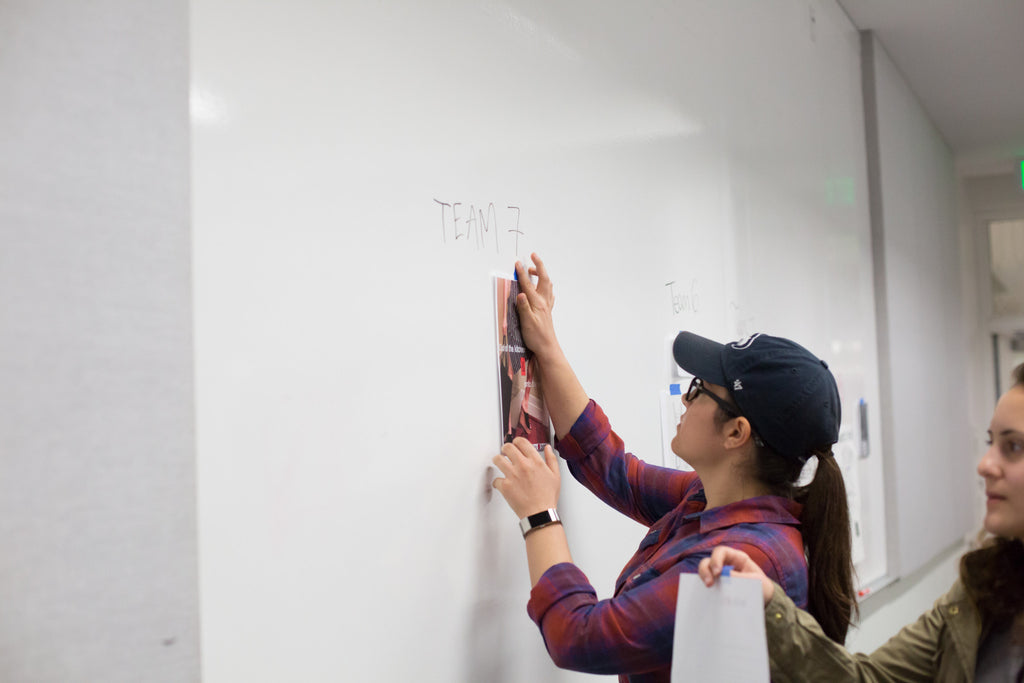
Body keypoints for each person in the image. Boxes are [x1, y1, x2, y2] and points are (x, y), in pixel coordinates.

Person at [490, 253, 857, 682]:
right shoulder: (714, 499)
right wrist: (547, 347)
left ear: (737, 433)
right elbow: (613, 469)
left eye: (700, 389)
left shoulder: (738, 562)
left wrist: (539, 516)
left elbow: (581, 637)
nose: (685, 398)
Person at [698, 362, 1024, 683]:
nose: (985, 464)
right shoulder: (982, 591)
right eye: (990, 443)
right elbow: (865, 678)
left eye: (1014, 447)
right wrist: (770, 602)